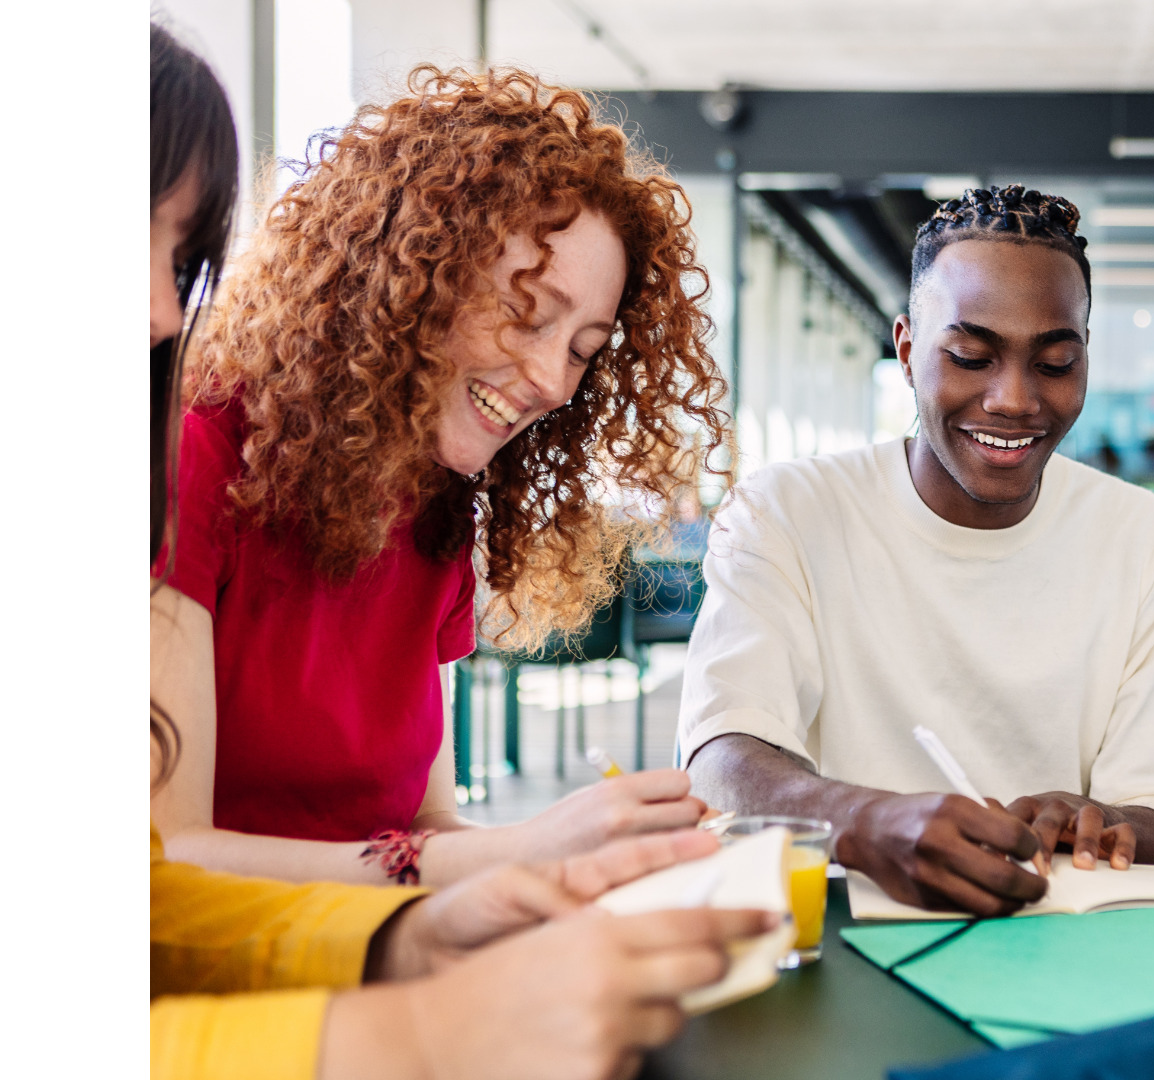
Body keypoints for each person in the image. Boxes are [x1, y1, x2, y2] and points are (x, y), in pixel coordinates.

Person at [148, 25, 772, 1078]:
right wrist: (505, 859)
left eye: (583, 349)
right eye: (526, 316)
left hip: (371, 981)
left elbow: (423, 820)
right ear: (406, 281)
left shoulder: (437, 506)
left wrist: (535, 882)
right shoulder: (198, 443)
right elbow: (166, 859)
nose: (552, 382)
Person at [678, 186, 1154, 917]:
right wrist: (866, 821)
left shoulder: (1140, 534)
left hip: (1063, 940)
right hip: (842, 927)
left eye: (1056, 363)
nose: (1013, 399)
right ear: (908, 351)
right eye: (971, 356)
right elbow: (722, 757)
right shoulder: (788, 511)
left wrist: (1105, 824)